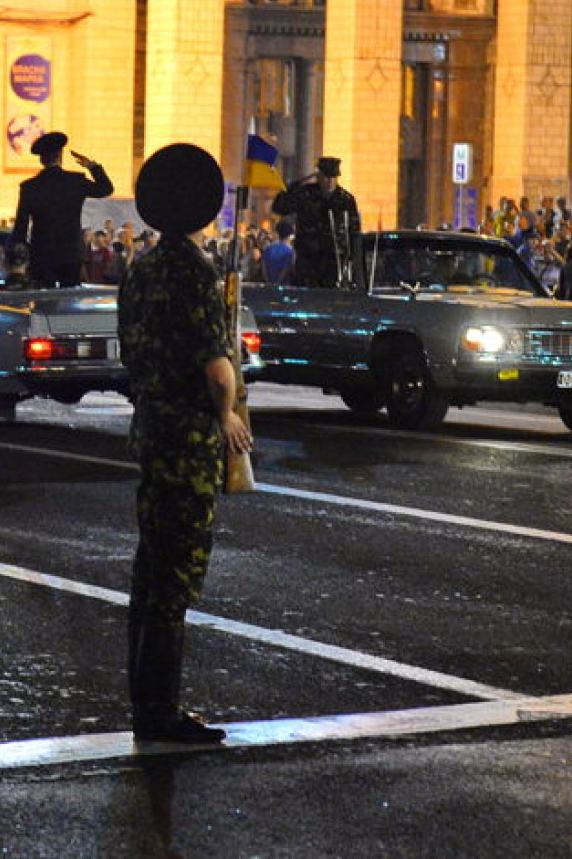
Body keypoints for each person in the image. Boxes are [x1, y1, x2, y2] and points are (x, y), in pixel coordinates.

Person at [118, 143, 252, 745]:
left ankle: (143, 702)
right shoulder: (197, 272)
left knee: (149, 569)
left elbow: (131, 352)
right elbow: (216, 363)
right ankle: (162, 713)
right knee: (177, 576)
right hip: (191, 434)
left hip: (151, 426)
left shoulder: (140, 269)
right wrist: (227, 417)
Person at [11, 131, 114, 288]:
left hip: (42, 254)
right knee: (70, 299)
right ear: (60, 155)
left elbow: (21, 226)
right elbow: (106, 189)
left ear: (41, 159)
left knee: (43, 303)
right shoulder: (75, 181)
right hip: (71, 253)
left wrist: (20, 258)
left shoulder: (30, 187)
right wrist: (92, 166)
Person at [269, 155, 361, 288]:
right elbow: (279, 208)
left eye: (333, 178)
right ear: (319, 177)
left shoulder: (345, 199)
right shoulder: (306, 194)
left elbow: (354, 231)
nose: (329, 182)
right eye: (326, 177)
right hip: (308, 259)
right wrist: (291, 188)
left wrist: (352, 258)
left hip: (334, 261)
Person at [260, 219, 296, 284]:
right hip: (285, 287)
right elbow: (287, 269)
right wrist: (277, 282)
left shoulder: (269, 249)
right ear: (290, 235)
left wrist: (268, 282)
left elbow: (264, 268)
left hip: (269, 285)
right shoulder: (290, 251)